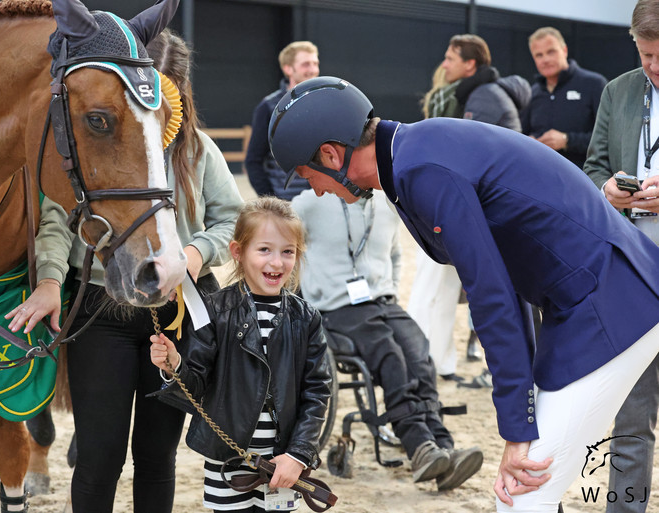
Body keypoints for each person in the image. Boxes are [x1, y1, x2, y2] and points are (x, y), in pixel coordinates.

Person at [267, 75, 659, 513]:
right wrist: (525, 407)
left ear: (330, 154)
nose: (315, 189)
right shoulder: (411, 155)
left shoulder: (420, 170)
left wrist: (518, 428)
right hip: (587, 299)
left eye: (307, 175)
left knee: (523, 497)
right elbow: (508, 281)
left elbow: (493, 297)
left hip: (612, 302)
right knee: (526, 495)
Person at [5, 29, 245, 513]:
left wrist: (194, 256)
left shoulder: (196, 150)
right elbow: (55, 219)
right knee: (99, 456)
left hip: (176, 313)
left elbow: (232, 219)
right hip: (101, 309)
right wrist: (51, 279)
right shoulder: (89, 148)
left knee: (158, 457)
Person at [291, 188, 483, 490]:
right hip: (336, 307)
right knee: (389, 353)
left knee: (420, 353)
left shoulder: (384, 203)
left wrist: (389, 290)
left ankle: (443, 447)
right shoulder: (308, 204)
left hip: (382, 301)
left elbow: (394, 254)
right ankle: (418, 445)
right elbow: (286, 249)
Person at [149, 196, 332, 512]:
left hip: (282, 465)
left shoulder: (306, 318)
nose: (276, 262)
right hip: (228, 460)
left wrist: (299, 454)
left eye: (287, 252)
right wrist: (174, 364)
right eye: (264, 250)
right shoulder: (215, 311)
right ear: (238, 252)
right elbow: (196, 387)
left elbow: (317, 392)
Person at [409, 34, 532, 383]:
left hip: (472, 211)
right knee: (445, 285)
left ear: (470, 64)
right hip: (473, 209)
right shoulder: (472, 94)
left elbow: (468, 163)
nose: (444, 64)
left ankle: (424, 361)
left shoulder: (482, 99)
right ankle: (439, 361)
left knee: (437, 284)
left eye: (450, 58)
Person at [583, 2, 659, 511]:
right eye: (646, 54)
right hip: (633, 267)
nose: (653, 67)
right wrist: (607, 191)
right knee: (631, 419)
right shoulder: (619, 91)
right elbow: (590, 170)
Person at [521, 27, 606, 169]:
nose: (545, 59)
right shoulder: (533, 92)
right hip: (541, 174)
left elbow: (608, 138)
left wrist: (567, 140)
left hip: (583, 176)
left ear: (564, 50)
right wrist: (529, 142)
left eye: (551, 52)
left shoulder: (594, 84)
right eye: (539, 55)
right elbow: (524, 133)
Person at [244, 41, 319, 200]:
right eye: (306, 64)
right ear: (288, 68)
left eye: (315, 63)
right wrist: (273, 200)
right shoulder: (269, 107)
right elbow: (253, 161)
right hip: (288, 205)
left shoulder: (328, 102)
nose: (313, 70)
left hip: (323, 201)